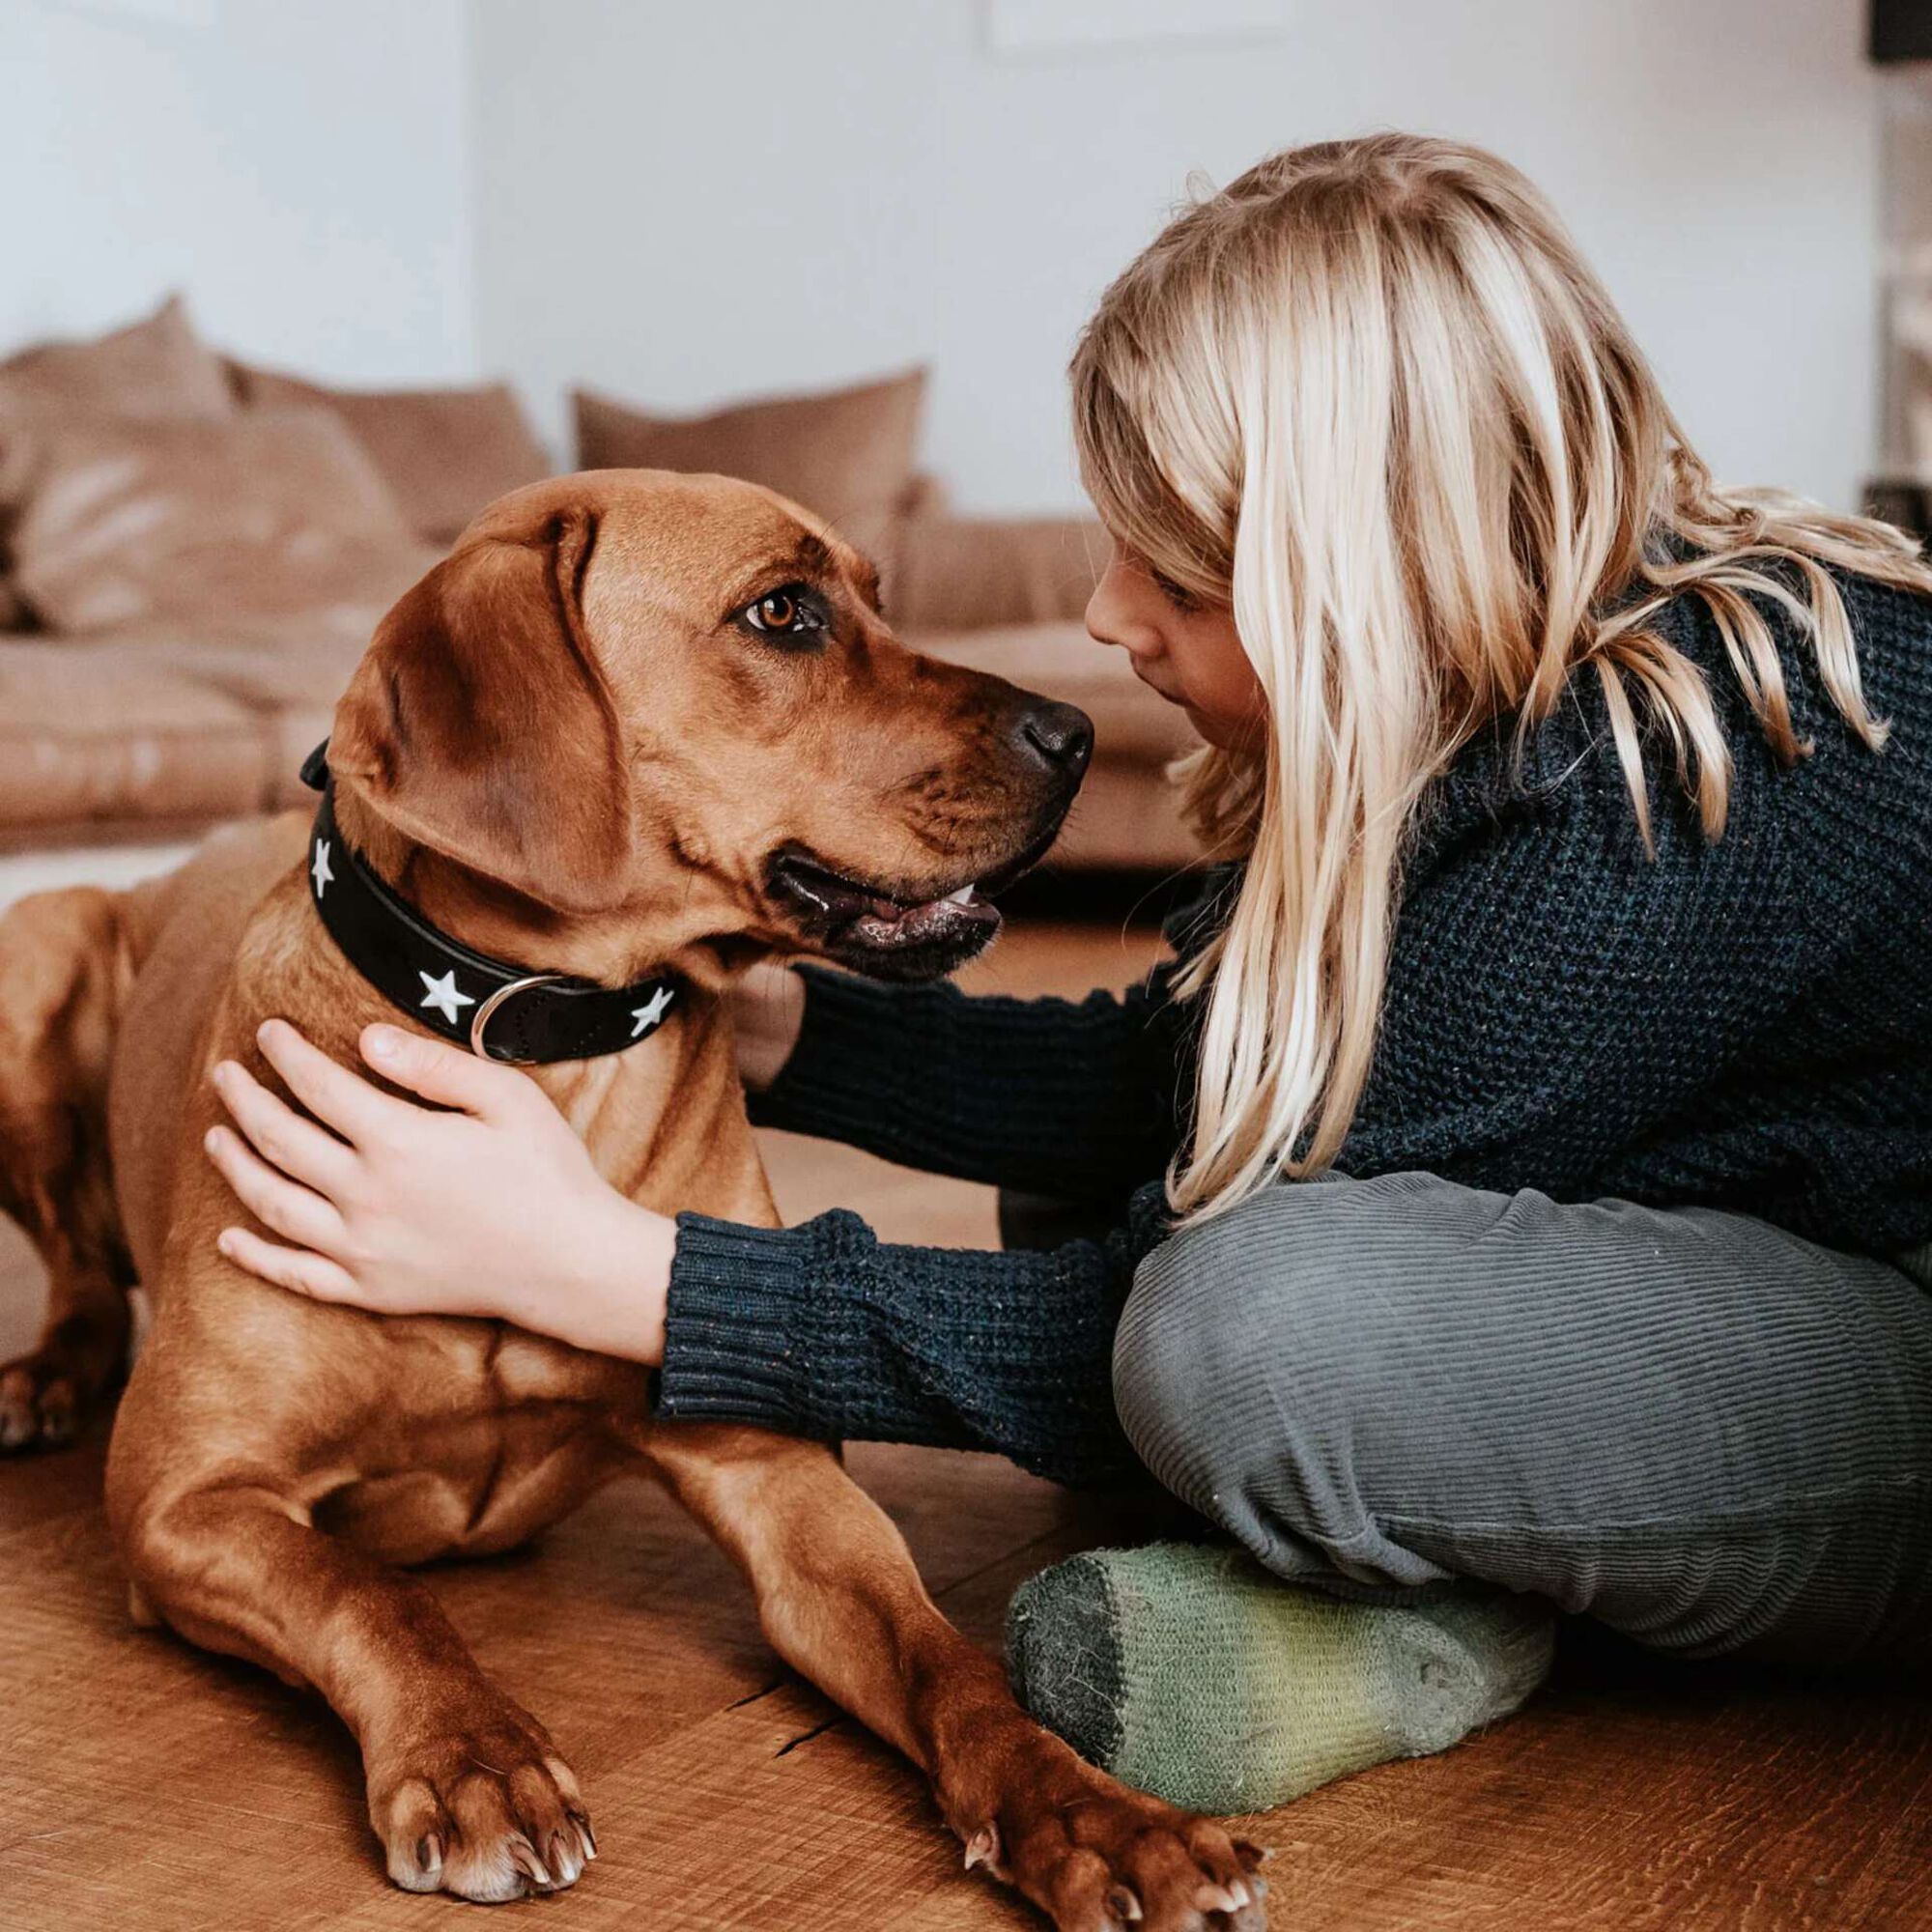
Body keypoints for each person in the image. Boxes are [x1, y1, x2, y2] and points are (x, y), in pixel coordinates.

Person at [204, 133, 1932, 1816]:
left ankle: (1442, 1616)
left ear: (1368, 551)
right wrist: (807, 1030)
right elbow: (1228, 1085)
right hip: (1729, 1273)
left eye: (1172, 557)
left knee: (1240, 1325)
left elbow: (1192, 1277)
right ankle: (1439, 1600)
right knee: (1139, 1186)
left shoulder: (1683, 776)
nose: (1104, 613)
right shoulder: (1499, 698)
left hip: (1898, 1378)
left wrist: (628, 1277)